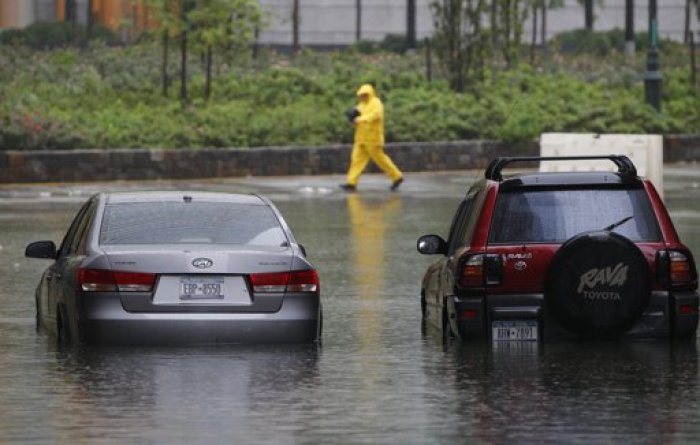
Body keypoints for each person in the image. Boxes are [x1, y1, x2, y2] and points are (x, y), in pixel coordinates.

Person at [340, 84, 403, 192]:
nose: (363, 97)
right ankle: (351, 183)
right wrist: (352, 119)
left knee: (381, 160)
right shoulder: (360, 105)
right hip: (361, 139)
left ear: (370, 93)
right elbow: (357, 120)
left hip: (373, 139)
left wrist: (360, 119)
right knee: (356, 160)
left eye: (365, 95)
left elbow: (376, 115)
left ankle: (397, 177)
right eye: (361, 95)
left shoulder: (376, 103)